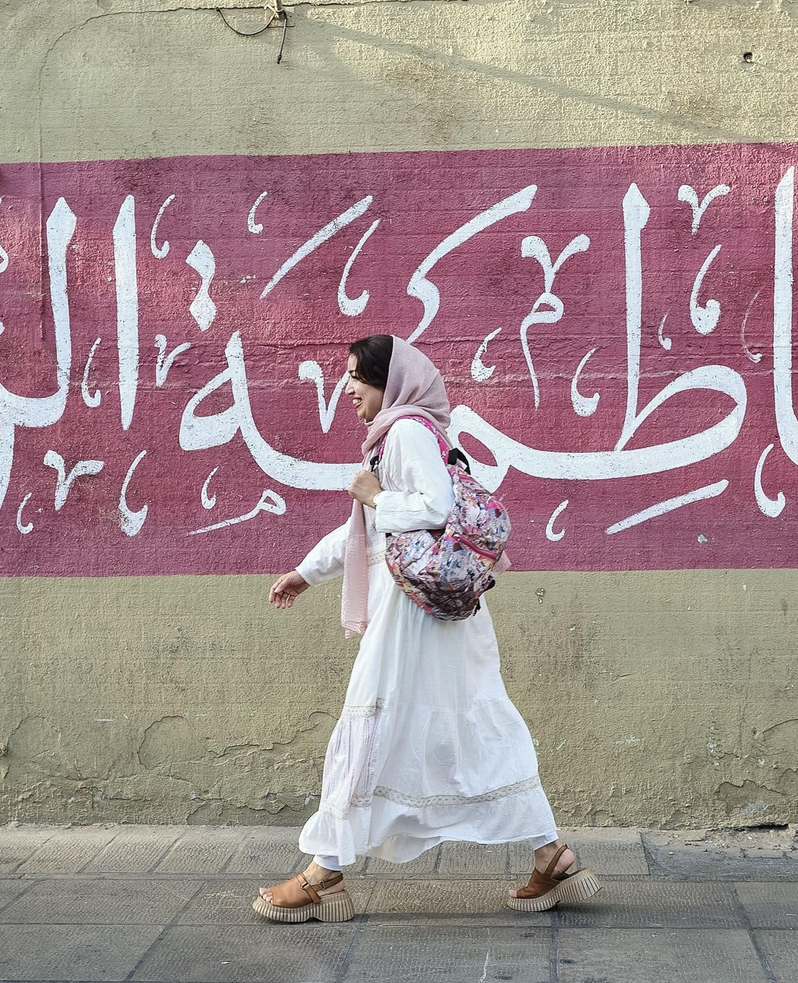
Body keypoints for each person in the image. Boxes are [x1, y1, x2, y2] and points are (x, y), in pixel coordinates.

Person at [253, 334, 600, 923]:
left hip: (413, 615)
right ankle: (553, 856)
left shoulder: (404, 431)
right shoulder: (402, 435)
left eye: (357, 378)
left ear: (388, 383)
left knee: (372, 715)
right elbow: (363, 534)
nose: (347, 389)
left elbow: (433, 509)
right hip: (439, 609)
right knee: (474, 719)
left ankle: (324, 877)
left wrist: (377, 495)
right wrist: (304, 573)